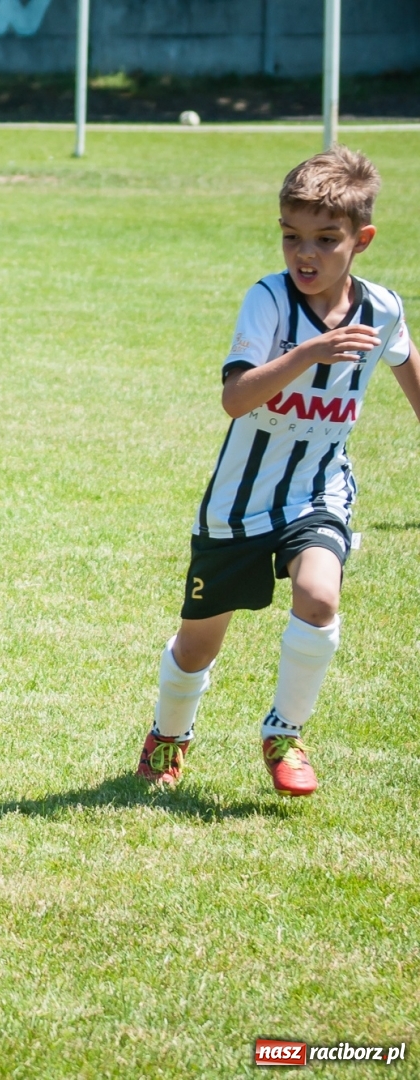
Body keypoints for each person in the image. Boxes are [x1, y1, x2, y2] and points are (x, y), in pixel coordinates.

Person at [137, 146, 415, 798]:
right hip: (238, 502)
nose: (305, 255)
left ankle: (284, 731)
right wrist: (311, 352)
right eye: (292, 238)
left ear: (361, 240)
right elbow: (236, 399)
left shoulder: (381, 311)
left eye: (325, 239)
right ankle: (168, 735)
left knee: (319, 596)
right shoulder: (268, 300)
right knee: (198, 647)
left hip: (318, 490)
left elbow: (408, 368)